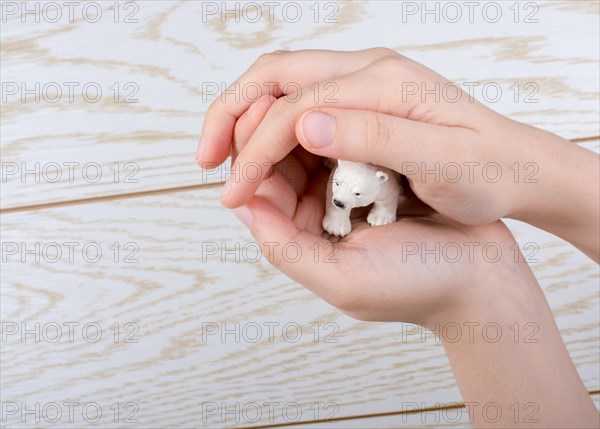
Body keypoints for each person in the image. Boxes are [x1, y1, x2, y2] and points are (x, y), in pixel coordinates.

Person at [196, 49, 599, 428]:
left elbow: (375, 195)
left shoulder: (384, 185)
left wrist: (476, 289)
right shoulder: (343, 178)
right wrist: (483, 279)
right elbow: (340, 196)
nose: (339, 195)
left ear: (382, 180)